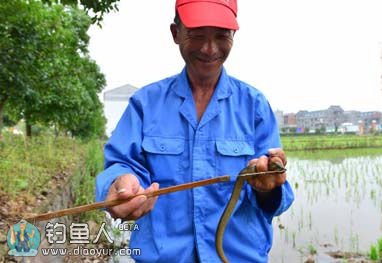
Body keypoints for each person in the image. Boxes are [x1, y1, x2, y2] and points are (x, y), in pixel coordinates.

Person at [95, 0, 294, 262]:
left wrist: (268, 187)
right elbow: (120, 163)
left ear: (234, 35)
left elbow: (276, 194)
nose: (209, 49)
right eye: (197, 35)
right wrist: (120, 184)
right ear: (175, 33)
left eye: (221, 36)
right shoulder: (146, 104)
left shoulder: (254, 106)